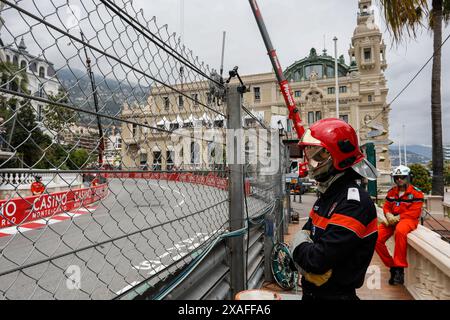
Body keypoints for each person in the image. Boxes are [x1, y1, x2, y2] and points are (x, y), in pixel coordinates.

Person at [289, 118, 379, 300]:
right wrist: (303, 249)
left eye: (318, 156)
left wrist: (297, 247)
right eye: (310, 156)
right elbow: (308, 234)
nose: (311, 163)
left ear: (337, 156)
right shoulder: (327, 197)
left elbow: (316, 260)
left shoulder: (353, 202)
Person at [375, 165, 424, 285]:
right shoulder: (392, 192)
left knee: (400, 232)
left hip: (408, 219)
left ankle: (400, 268)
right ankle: (392, 266)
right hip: (392, 220)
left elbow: (414, 212)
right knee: (376, 238)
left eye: (402, 177)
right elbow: (386, 206)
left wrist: (398, 218)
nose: (399, 180)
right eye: (397, 177)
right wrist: (388, 215)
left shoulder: (417, 193)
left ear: (408, 177)